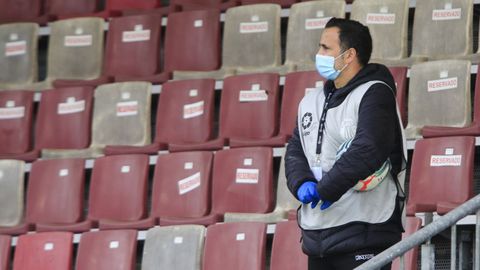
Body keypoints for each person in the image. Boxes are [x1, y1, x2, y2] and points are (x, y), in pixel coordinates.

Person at [285, 17, 407, 270]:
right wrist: (301, 182)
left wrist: (325, 189)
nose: (318, 54)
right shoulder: (311, 100)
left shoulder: (375, 92)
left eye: (326, 48)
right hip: (318, 232)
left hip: (364, 230)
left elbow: (368, 149)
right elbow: (296, 148)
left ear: (349, 55)